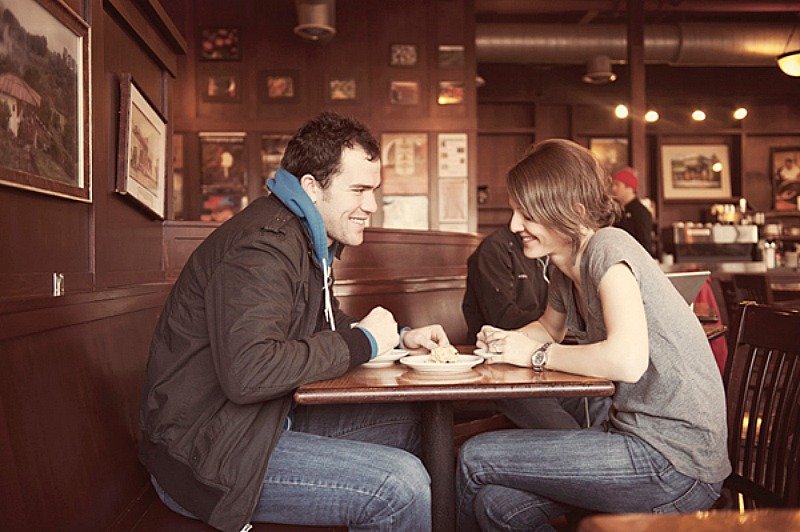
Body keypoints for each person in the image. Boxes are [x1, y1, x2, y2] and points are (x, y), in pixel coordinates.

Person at [139, 111, 450, 532]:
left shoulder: (306, 236)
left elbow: (325, 321)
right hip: (206, 456)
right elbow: (249, 373)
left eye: (374, 190)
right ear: (311, 187)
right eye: (358, 189)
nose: (371, 205)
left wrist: (398, 338)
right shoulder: (263, 246)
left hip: (258, 424)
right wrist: (365, 343)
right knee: (400, 486)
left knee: (418, 424)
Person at [456, 139, 731, 531]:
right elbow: (548, 329)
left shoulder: (608, 248)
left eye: (526, 212)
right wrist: (504, 343)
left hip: (674, 462)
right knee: (496, 504)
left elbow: (626, 360)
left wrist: (533, 355)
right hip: (638, 442)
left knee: (474, 457)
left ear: (569, 209)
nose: (515, 225)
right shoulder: (566, 266)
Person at [462, 226, 609, 429]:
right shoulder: (495, 249)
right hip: (504, 370)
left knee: (600, 402)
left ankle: (590, 452)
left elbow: (550, 329)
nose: (515, 223)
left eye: (526, 213)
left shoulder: (567, 261)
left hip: (543, 365)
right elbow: (505, 319)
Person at [609, 166, 654, 256]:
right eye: (613, 185)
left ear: (629, 187)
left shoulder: (640, 212)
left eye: (617, 185)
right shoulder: (618, 211)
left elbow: (645, 245)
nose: (613, 189)